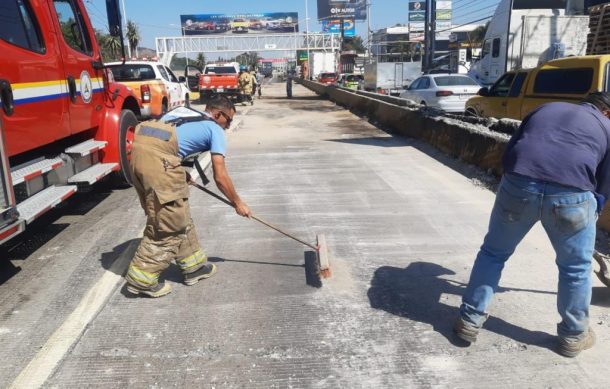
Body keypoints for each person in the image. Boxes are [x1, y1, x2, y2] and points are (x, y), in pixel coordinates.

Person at [454, 92, 610, 357]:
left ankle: (469, 319)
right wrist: (595, 209)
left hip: (520, 182)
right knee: (575, 268)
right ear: (606, 112)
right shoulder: (607, 126)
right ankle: (573, 336)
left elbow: (512, 150)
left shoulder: (546, 108)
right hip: (572, 194)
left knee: (493, 253)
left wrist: (514, 186)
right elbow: (605, 180)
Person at [125, 96, 252, 298]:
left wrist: (176, 171)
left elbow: (164, 143)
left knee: (176, 212)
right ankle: (142, 280)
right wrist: (238, 203)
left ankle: (194, 267)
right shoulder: (214, 129)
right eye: (228, 120)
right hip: (159, 162)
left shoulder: (184, 112)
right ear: (218, 114)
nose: (228, 126)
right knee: (169, 224)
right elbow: (220, 176)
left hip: (139, 155)